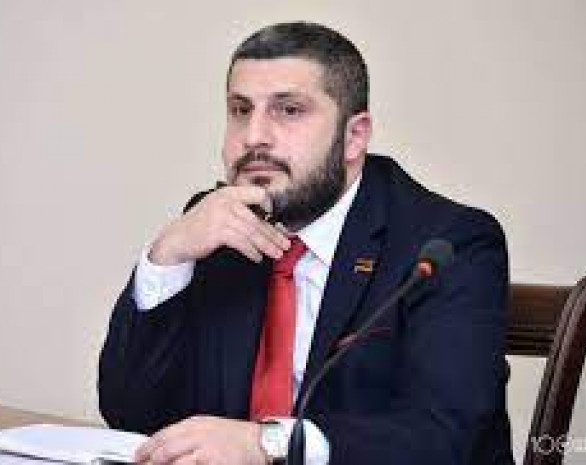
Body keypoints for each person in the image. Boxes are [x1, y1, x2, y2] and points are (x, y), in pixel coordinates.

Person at [99, 21, 515, 465]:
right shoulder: (220, 226)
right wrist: (168, 257)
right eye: (240, 109)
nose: (254, 136)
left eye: (289, 110)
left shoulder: (449, 243)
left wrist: (269, 444)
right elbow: (131, 412)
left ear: (354, 137)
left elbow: (444, 436)